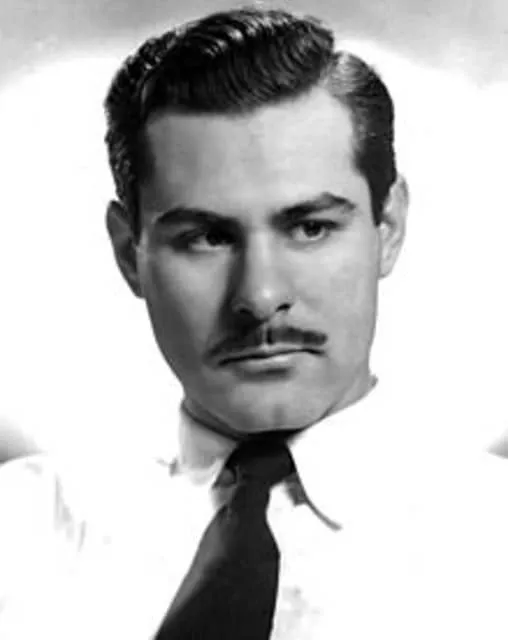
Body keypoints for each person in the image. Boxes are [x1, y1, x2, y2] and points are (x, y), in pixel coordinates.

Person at [1, 6, 507, 639]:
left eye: (310, 228)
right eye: (207, 237)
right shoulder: (18, 538)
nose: (260, 297)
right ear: (129, 252)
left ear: (389, 226)